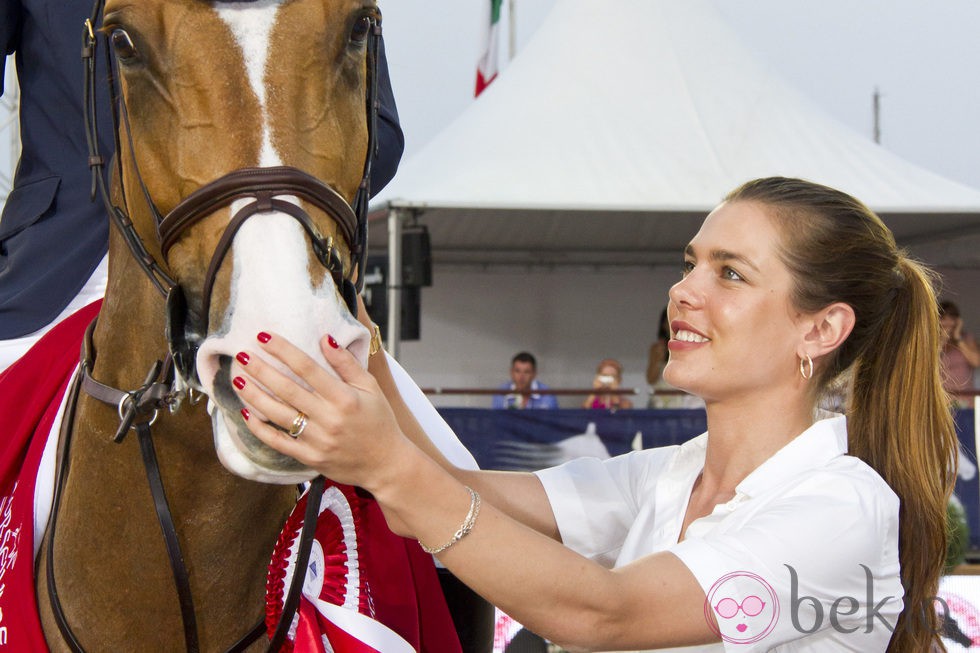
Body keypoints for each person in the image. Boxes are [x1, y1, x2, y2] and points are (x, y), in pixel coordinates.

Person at [230, 177, 956, 651]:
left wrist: (386, 463)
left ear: (820, 330)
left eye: (730, 272)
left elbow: (605, 612)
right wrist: (364, 349)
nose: (684, 289)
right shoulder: (671, 473)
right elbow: (462, 486)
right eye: (691, 261)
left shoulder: (841, 504)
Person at [0, 0, 404, 373]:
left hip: (278, 252)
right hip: (60, 264)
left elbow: (378, 129)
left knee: (434, 449)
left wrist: (267, 212)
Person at [939, 300, 980, 406]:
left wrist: (958, 339)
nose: (948, 323)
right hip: (942, 401)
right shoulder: (932, 342)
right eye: (944, 319)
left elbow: (976, 362)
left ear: (958, 321)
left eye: (951, 318)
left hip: (965, 400)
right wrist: (942, 340)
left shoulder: (967, 338)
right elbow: (927, 365)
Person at [491, 352, 559, 409]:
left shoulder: (547, 394)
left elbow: (551, 423)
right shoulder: (500, 393)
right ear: (511, 372)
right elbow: (497, 422)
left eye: (526, 372)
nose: (521, 377)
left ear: (534, 374)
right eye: (517, 371)